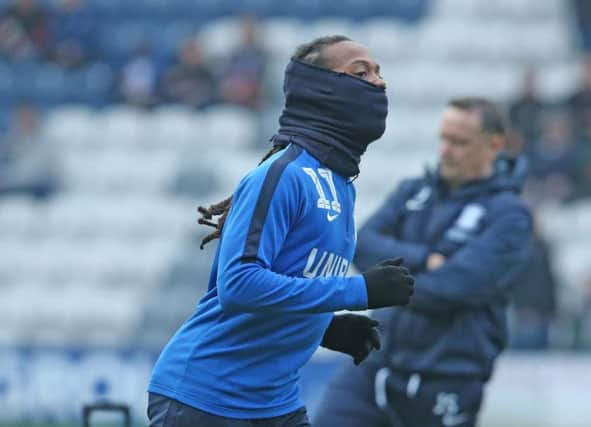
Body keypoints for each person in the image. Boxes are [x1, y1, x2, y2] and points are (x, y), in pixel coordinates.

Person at [147, 35, 415, 427]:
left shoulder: (342, 186)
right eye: (362, 72)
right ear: (324, 90)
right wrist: (360, 292)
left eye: (378, 72)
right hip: (206, 402)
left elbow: (292, 277)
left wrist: (324, 327)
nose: (379, 82)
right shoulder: (282, 175)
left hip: (276, 404)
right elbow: (240, 284)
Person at [314, 98, 533, 427]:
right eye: (443, 138)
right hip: (375, 363)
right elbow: (360, 244)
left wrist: (386, 282)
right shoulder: (412, 192)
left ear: (494, 145)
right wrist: (424, 258)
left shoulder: (510, 215)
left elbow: (452, 289)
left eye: (459, 142)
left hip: (448, 378)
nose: (446, 150)